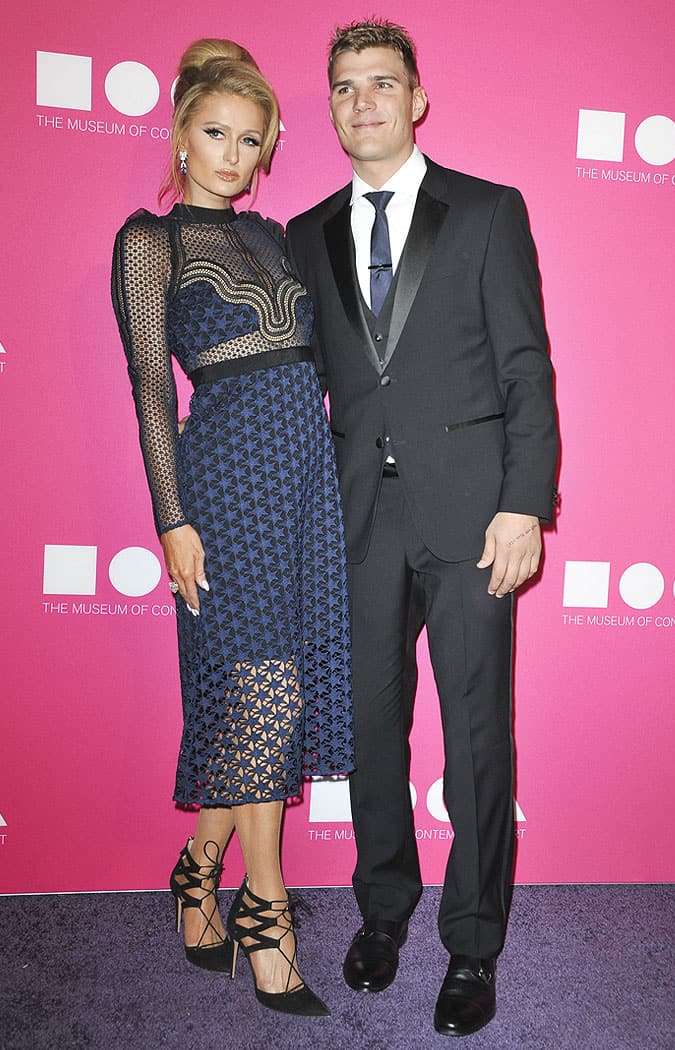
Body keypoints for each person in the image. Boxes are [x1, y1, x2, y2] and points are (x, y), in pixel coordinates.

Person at [286, 19, 559, 1037]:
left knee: (477, 738)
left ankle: (474, 943)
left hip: (473, 516)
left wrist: (525, 501)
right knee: (369, 733)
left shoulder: (487, 211)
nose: (364, 101)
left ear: (417, 99)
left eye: (383, 83)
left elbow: (525, 364)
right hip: (358, 522)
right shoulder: (305, 233)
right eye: (346, 86)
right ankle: (383, 911)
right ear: (332, 106)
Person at [111, 37, 353, 1018]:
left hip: (306, 485)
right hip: (225, 485)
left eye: (249, 141)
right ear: (178, 134)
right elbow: (148, 393)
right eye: (213, 133)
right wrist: (171, 518)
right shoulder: (148, 241)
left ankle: (193, 870)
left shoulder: (281, 238)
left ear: (266, 153)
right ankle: (267, 912)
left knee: (269, 704)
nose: (229, 154)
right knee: (266, 692)